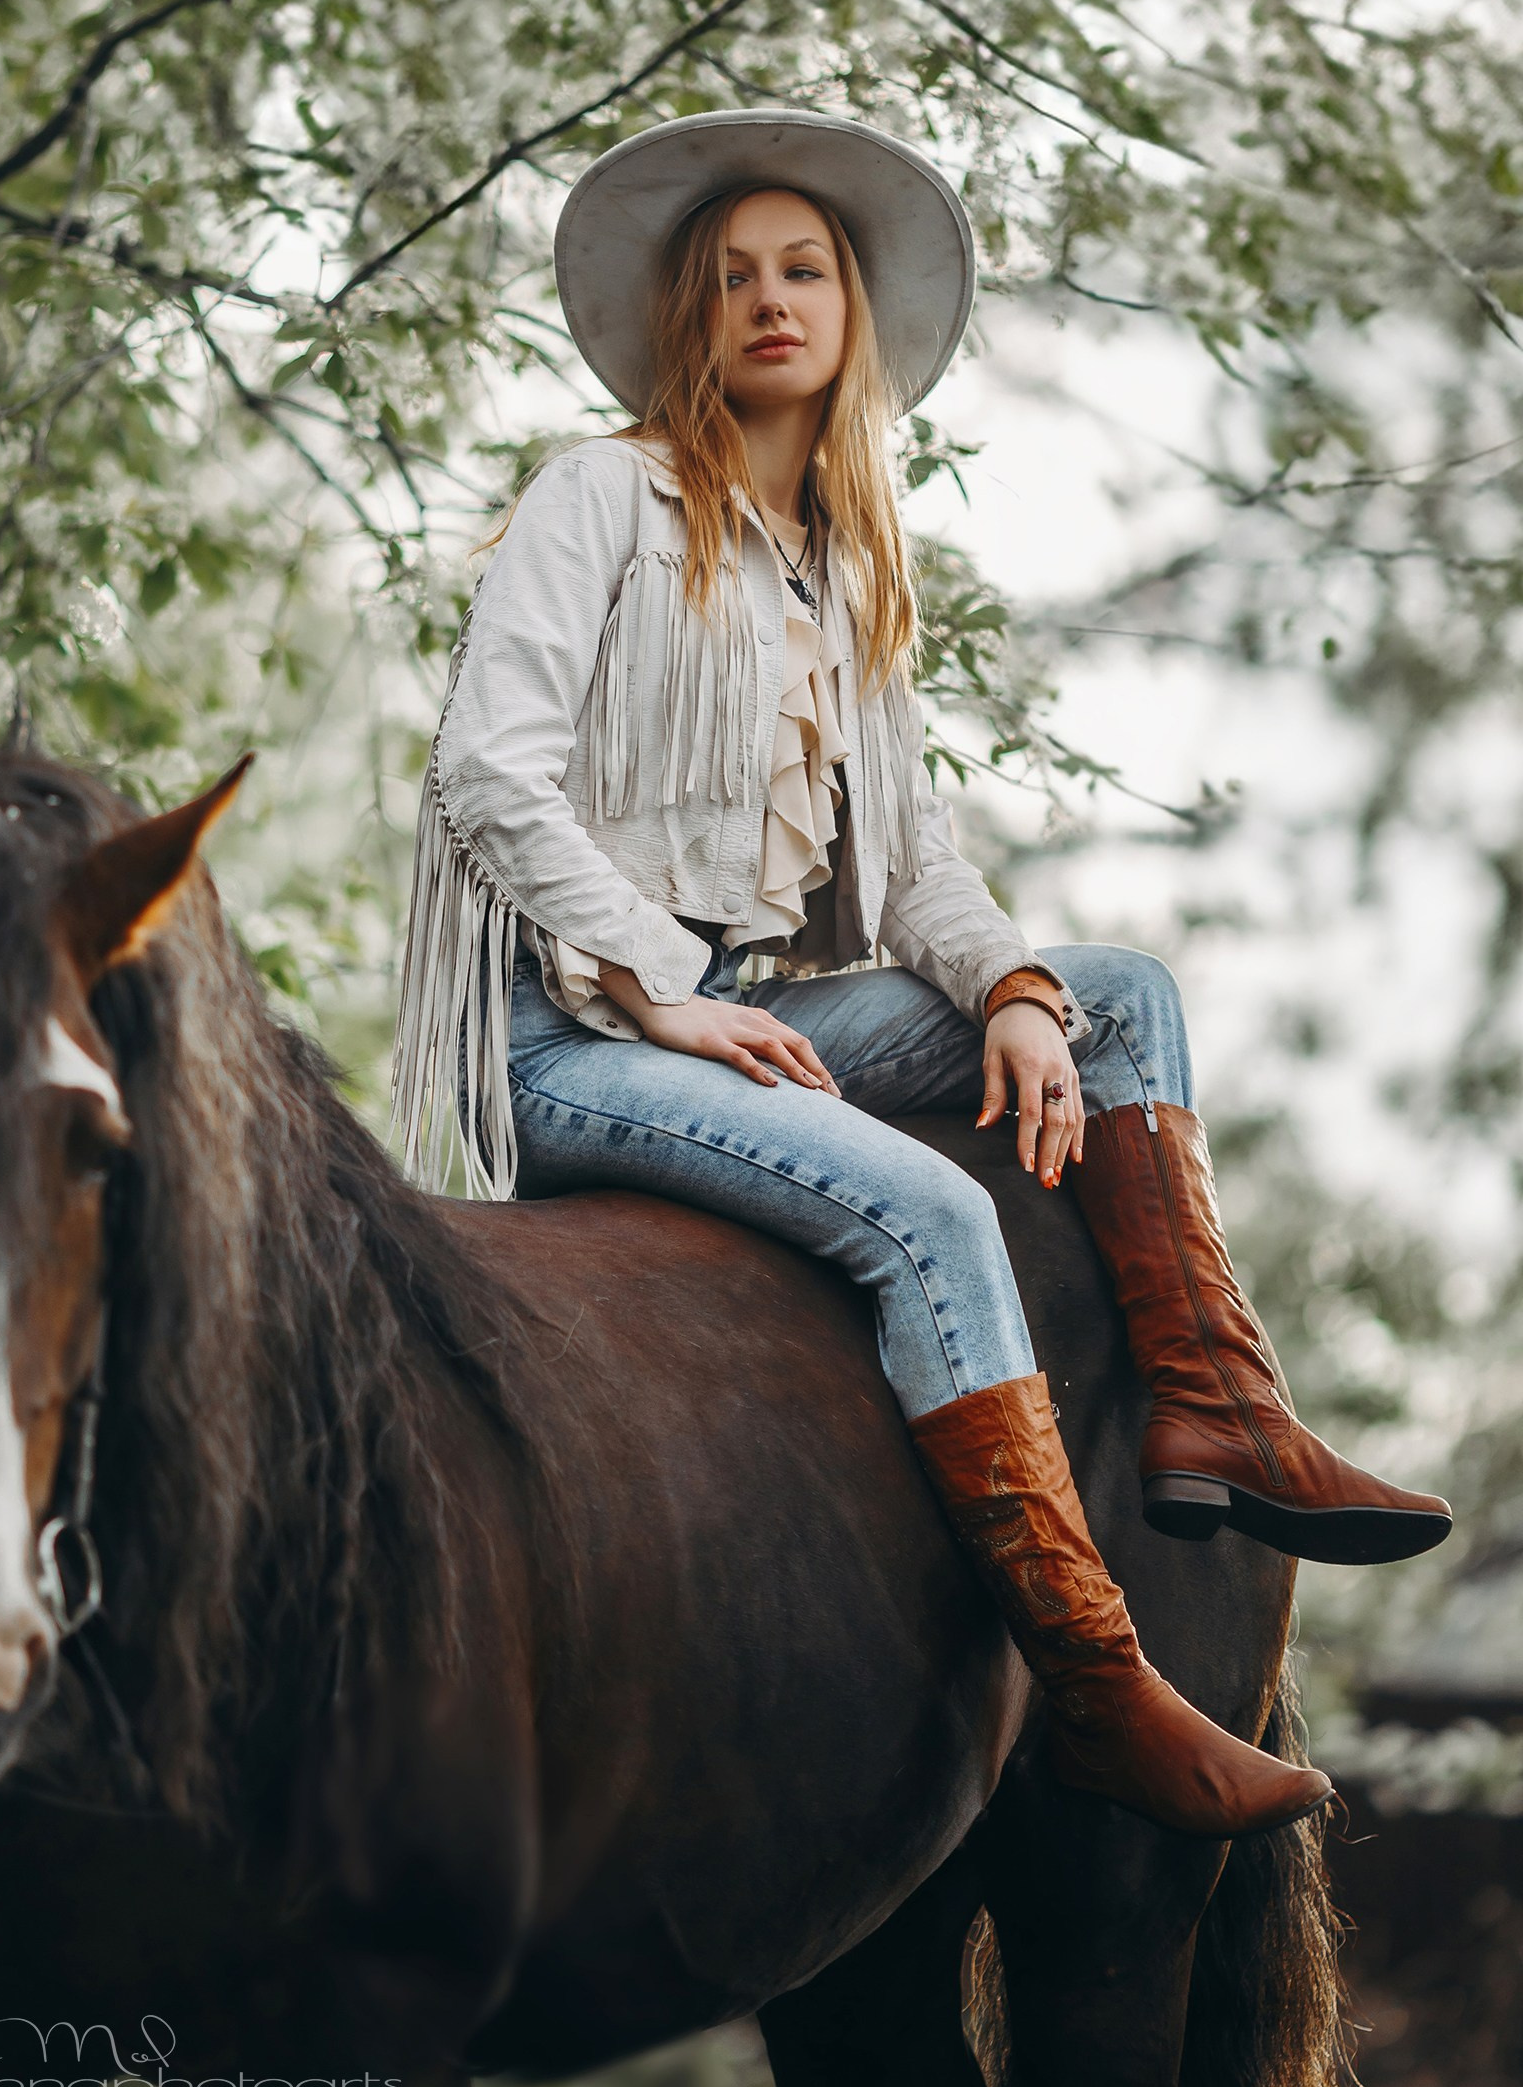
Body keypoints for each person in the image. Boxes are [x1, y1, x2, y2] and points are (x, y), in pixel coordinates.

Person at [390, 109, 1450, 1840]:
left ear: (851, 309)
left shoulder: (845, 563)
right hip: (580, 1036)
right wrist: (659, 979)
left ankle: (1211, 1409)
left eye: (802, 269)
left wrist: (1017, 987)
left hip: (761, 1000)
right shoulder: (601, 499)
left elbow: (917, 865)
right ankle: (1102, 1691)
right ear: (693, 318)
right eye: (732, 276)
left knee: (1123, 994)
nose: (768, 299)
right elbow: (488, 773)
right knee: (937, 1220)